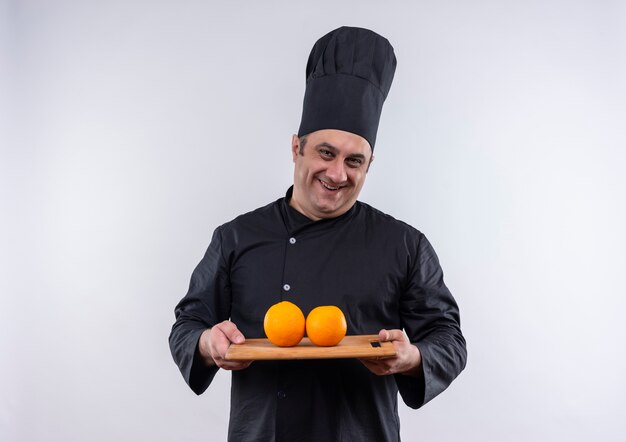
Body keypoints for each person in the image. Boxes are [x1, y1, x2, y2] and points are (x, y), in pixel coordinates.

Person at [169, 26, 466, 441]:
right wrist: (207, 343)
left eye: (354, 161)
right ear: (296, 148)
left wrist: (413, 356)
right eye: (326, 153)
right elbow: (189, 324)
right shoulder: (236, 238)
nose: (337, 174)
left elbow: (448, 338)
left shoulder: (404, 244)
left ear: (369, 164)